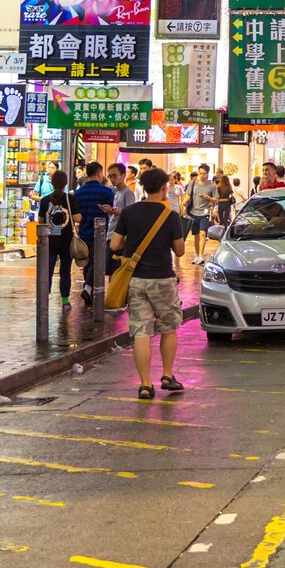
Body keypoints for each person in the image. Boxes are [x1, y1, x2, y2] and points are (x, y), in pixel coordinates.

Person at [111, 167, 187, 400]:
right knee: (168, 328)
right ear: (164, 188)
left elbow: (114, 245)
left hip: (136, 280)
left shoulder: (129, 213)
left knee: (141, 332)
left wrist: (132, 246)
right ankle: (166, 375)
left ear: (143, 187)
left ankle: (145, 384)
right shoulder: (171, 216)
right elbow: (180, 251)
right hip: (163, 279)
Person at [71, 163, 116, 303]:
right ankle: (89, 289)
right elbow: (112, 211)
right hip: (101, 232)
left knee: (87, 262)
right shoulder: (107, 192)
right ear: (98, 173)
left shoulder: (78, 193)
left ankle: (88, 289)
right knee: (98, 262)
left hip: (84, 232)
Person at [37, 171, 76, 304]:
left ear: (52, 183)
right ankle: (65, 301)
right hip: (66, 241)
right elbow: (78, 218)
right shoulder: (70, 199)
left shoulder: (45, 200)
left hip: (49, 241)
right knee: (65, 271)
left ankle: (44, 299)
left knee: (47, 271)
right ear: (65, 183)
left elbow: (40, 221)